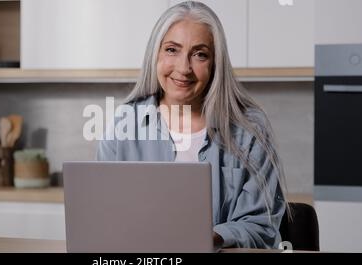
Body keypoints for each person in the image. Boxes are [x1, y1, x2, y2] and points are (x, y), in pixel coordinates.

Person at [96, 1, 288, 249]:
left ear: (215, 64)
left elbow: (261, 226)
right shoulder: (123, 123)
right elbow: (102, 218)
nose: (184, 68)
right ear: (155, 54)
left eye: (200, 54)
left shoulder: (250, 129)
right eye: (172, 50)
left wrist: (211, 238)